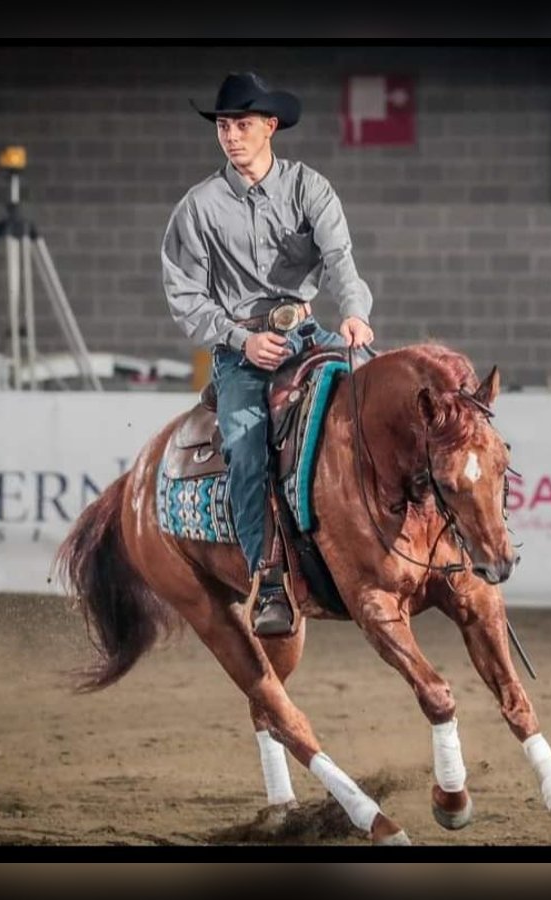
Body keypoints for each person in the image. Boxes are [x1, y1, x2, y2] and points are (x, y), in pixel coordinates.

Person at [161, 71, 375, 637]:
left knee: (381, 393)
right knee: (245, 442)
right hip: (240, 350)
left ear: (270, 127)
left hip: (308, 333)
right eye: (224, 126)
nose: (231, 135)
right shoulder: (198, 208)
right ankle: (269, 578)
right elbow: (186, 296)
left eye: (243, 125)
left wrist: (353, 312)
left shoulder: (309, 188)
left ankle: (399, 535)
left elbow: (340, 260)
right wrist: (239, 340)